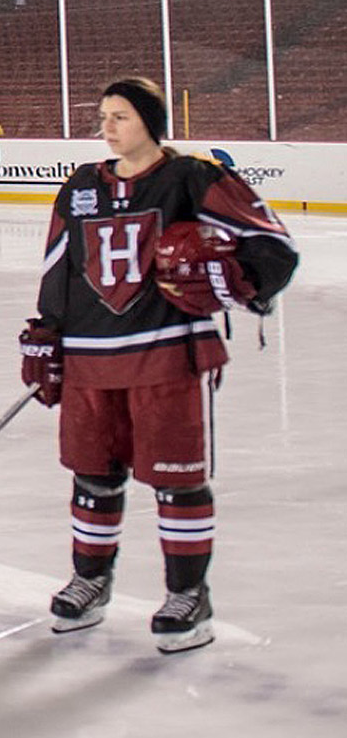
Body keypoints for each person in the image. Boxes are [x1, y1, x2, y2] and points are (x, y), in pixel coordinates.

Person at [19, 77, 298, 653]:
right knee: (93, 476)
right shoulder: (81, 188)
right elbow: (59, 264)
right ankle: (91, 582)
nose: (107, 127)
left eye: (120, 116)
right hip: (91, 358)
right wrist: (47, 333)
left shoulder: (192, 178)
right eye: (103, 116)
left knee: (177, 481)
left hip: (167, 355)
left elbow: (273, 246)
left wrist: (229, 278)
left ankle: (188, 597)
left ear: (150, 120)